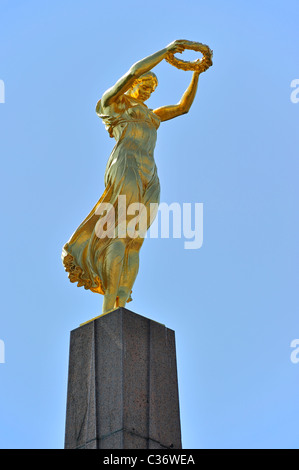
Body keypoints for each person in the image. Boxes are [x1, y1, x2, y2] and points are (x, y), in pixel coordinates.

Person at [62, 39, 210, 314]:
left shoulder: (152, 116)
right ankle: (108, 306)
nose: (149, 89)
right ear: (134, 84)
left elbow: (183, 107)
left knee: (136, 239)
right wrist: (166, 52)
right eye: (146, 82)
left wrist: (196, 73)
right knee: (119, 234)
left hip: (150, 173)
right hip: (125, 165)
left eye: (153, 87)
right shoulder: (113, 105)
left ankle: (122, 297)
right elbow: (132, 71)